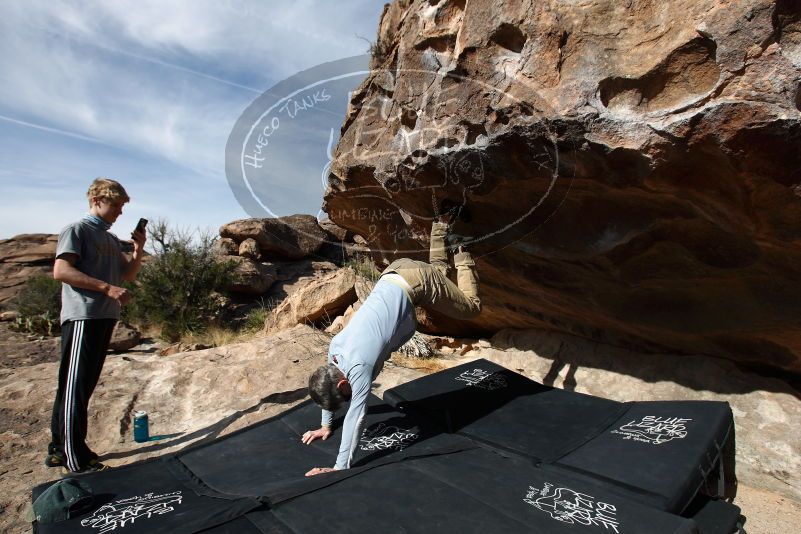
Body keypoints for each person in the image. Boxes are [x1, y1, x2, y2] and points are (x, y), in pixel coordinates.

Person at [302, 208, 480, 476]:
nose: (351, 397)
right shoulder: (334, 350)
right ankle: (442, 222)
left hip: (415, 283)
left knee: (472, 307)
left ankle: (463, 248)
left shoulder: (358, 366)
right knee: (440, 273)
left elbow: (356, 416)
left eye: (346, 394)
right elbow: (331, 394)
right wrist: (326, 426)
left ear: (342, 382)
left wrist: (339, 467)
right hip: (396, 273)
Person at [45, 178, 146, 474]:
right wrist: (106, 288)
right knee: (75, 386)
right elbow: (61, 271)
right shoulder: (77, 230)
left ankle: (58, 447)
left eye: (122, 206)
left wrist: (138, 250)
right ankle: (73, 456)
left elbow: (126, 275)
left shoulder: (112, 240)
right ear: (97, 200)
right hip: (83, 316)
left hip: (104, 316)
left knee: (80, 386)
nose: (119, 212)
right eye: (115, 205)